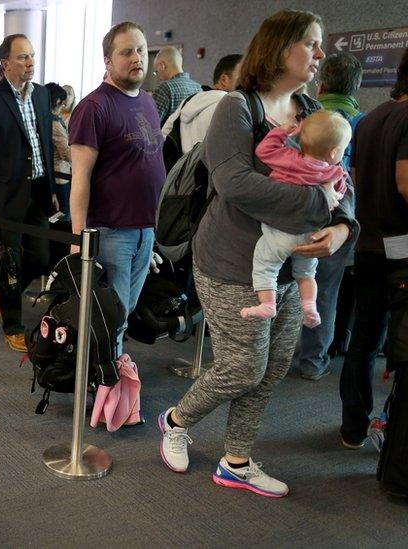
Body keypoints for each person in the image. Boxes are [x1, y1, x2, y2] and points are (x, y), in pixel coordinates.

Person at [158, 10, 357, 498]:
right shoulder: (238, 108)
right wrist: (319, 206)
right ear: (278, 47)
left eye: (320, 44)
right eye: (310, 43)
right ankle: (178, 419)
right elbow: (235, 183)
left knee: (270, 370)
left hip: (291, 268)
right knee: (244, 366)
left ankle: (236, 460)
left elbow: (339, 177)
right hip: (231, 263)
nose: (319, 54)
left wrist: (340, 228)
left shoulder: (311, 109)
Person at [68, 21, 165, 353]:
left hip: (144, 230)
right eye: (126, 52)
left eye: (140, 50)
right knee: (111, 318)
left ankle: (110, 379)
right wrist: (79, 239)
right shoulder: (93, 107)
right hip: (110, 233)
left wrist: (150, 234)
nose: (136, 57)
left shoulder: (148, 101)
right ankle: (106, 389)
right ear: (108, 60)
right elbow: (80, 178)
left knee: (124, 313)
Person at [339, 47, 408, 449]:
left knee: (364, 338)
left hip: (369, 242)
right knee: (399, 341)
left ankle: (354, 427)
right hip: (401, 246)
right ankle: (390, 426)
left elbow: (356, 179)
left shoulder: (369, 118)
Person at [0, 33, 55, 352]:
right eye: (23, 57)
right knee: (11, 260)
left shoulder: (42, 95)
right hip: (6, 195)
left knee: (42, 255)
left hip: (37, 191)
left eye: (32, 56)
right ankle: (13, 324)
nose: (30, 62)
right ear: (5, 63)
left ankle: (3, 290)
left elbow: (44, 143)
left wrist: (49, 190)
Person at [292, 52, 365, 380]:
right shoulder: (362, 122)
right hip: (339, 221)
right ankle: (313, 361)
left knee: (291, 285)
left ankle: (283, 352)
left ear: (320, 85)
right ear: (356, 88)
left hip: (297, 216)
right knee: (327, 293)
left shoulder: (307, 117)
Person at [242, 111, 350, 329]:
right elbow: (340, 195)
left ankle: (267, 304)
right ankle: (309, 306)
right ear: (334, 152)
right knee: (307, 273)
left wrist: (281, 132)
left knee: (265, 265)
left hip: (280, 232)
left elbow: (263, 150)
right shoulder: (334, 172)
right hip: (311, 235)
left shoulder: (289, 159)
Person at [161, 54, 242, 154]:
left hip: (182, 167)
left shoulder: (188, 101)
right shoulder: (231, 107)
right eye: (242, 79)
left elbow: (164, 135)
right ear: (224, 80)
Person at [152, 46, 203, 125]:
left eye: (156, 71)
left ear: (162, 66)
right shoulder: (199, 88)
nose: (158, 76)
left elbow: (151, 125)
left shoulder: (164, 88)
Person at [45, 82, 72, 217]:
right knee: (62, 215)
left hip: (51, 174)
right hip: (60, 175)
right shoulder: (55, 123)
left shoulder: (43, 118)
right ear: (57, 101)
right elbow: (66, 153)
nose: (63, 107)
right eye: (62, 103)